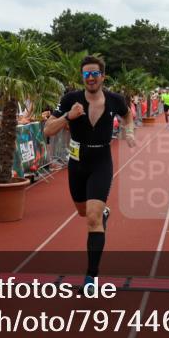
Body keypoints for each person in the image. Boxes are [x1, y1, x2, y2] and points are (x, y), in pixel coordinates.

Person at [43, 55, 135, 291]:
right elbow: (48, 130)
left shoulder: (115, 100)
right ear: (82, 77)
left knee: (92, 219)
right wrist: (68, 116)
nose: (91, 78)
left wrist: (130, 132)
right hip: (77, 163)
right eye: (87, 74)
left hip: (101, 162)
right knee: (83, 212)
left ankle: (91, 276)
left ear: (103, 76)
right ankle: (102, 212)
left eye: (95, 73)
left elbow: (127, 114)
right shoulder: (70, 99)